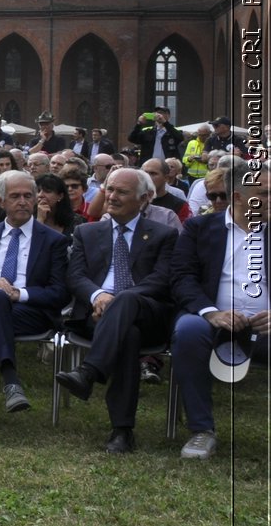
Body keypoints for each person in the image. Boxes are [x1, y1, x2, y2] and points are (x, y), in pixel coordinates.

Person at [54, 167, 179, 453]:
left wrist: (117, 300)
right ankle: (122, 431)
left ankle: (88, 371)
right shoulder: (87, 231)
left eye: (121, 192)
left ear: (144, 198)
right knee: (128, 336)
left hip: (148, 312)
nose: (111, 196)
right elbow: (75, 276)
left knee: (125, 302)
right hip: (96, 316)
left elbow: (161, 280)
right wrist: (98, 296)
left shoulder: (164, 234)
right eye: (109, 189)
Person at [167, 157, 267, 461]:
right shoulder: (200, 228)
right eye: (263, 194)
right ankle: (202, 431)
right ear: (237, 197)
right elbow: (181, 277)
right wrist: (211, 312)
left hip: (266, 328)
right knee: (188, 329)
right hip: (213, 321)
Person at [0, 171, 69, 436]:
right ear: (0, 199)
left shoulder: (53, 241)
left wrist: (20, 294)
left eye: (28, 196)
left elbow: (60, 292)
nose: (22, 202)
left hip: (29, 311)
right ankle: (10, 380)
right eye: (15, 196)